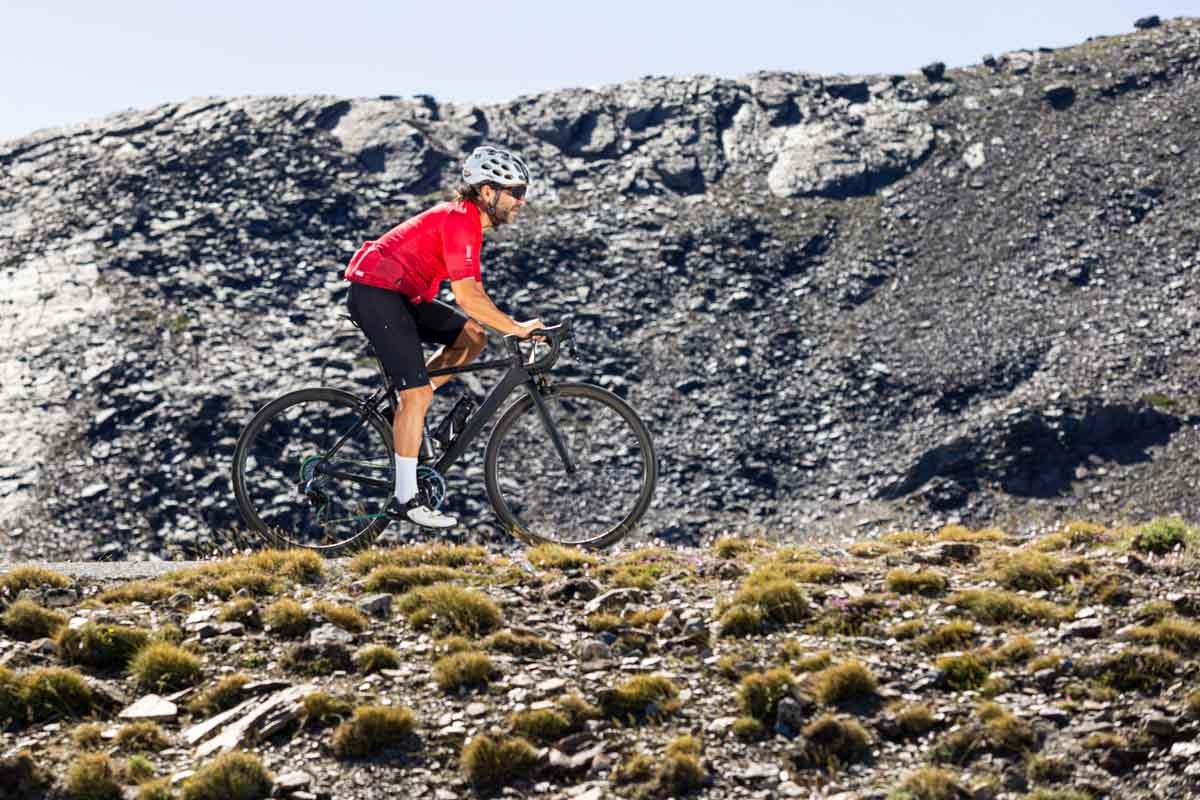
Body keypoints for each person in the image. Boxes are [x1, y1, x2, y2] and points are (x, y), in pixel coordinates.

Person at [343, 145, 543, 529]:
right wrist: (516, 328)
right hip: (377, 294)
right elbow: (468, 296)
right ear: (487, 192)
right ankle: (404, 498)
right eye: (516, 191)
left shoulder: (468, 222)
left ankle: (406, 413)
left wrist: (504, 326)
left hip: (400, 294)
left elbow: (474, 301)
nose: (522, 200)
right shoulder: (460, 219)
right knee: (416, 393)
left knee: (472, 337)